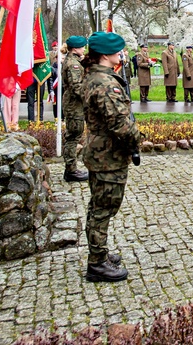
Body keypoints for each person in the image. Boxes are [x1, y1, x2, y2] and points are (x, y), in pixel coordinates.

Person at [80, 31, 142, 283]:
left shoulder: (95, 77)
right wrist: (137, 138)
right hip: (108, 155)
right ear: (105, 54)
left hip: (100, 152)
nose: (121, 54)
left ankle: (100, 253)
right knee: (103, 208)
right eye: (117, 50)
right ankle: (97, 264)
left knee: (98, 206)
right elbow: (120, 124)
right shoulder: (106, 84)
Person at [61, 36, 90, 182]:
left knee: (74, 135)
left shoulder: (74, 61)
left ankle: (71, 169)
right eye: (82, 46)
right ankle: (71, 170)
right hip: (74, 105)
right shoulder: (74, 64)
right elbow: (77, 87)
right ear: (75, 48)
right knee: (73, 137)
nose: (84, 48)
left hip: (74, 105)